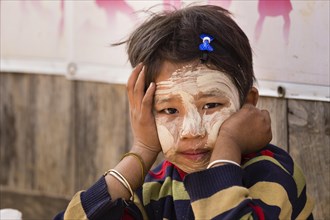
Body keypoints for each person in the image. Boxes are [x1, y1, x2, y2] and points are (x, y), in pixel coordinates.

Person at [54, 5, 314, 220]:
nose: (192, 130)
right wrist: (143, 150)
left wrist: (228, 143)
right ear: (147, 116)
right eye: (169, 110)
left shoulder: (271, 175)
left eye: (211, 105)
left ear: (247, 105)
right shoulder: (158, 187)